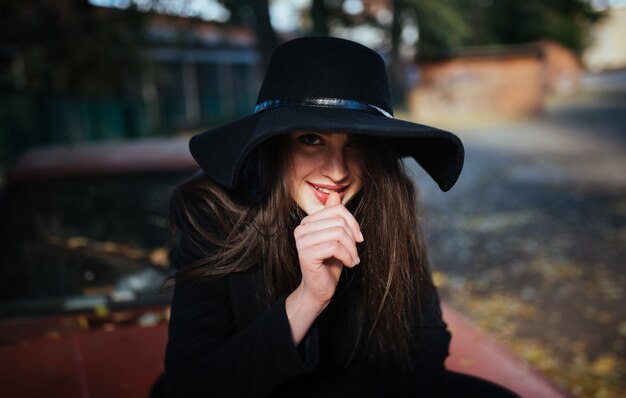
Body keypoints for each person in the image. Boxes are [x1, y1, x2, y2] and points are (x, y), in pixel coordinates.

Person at [155, 37, 519, 397]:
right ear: (275, 143)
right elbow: (191, 387)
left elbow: (425, 346)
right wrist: (309, 299)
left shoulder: (388, 203)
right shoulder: (214, 214)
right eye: (311, 139)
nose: (338, 171)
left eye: (357, 142)